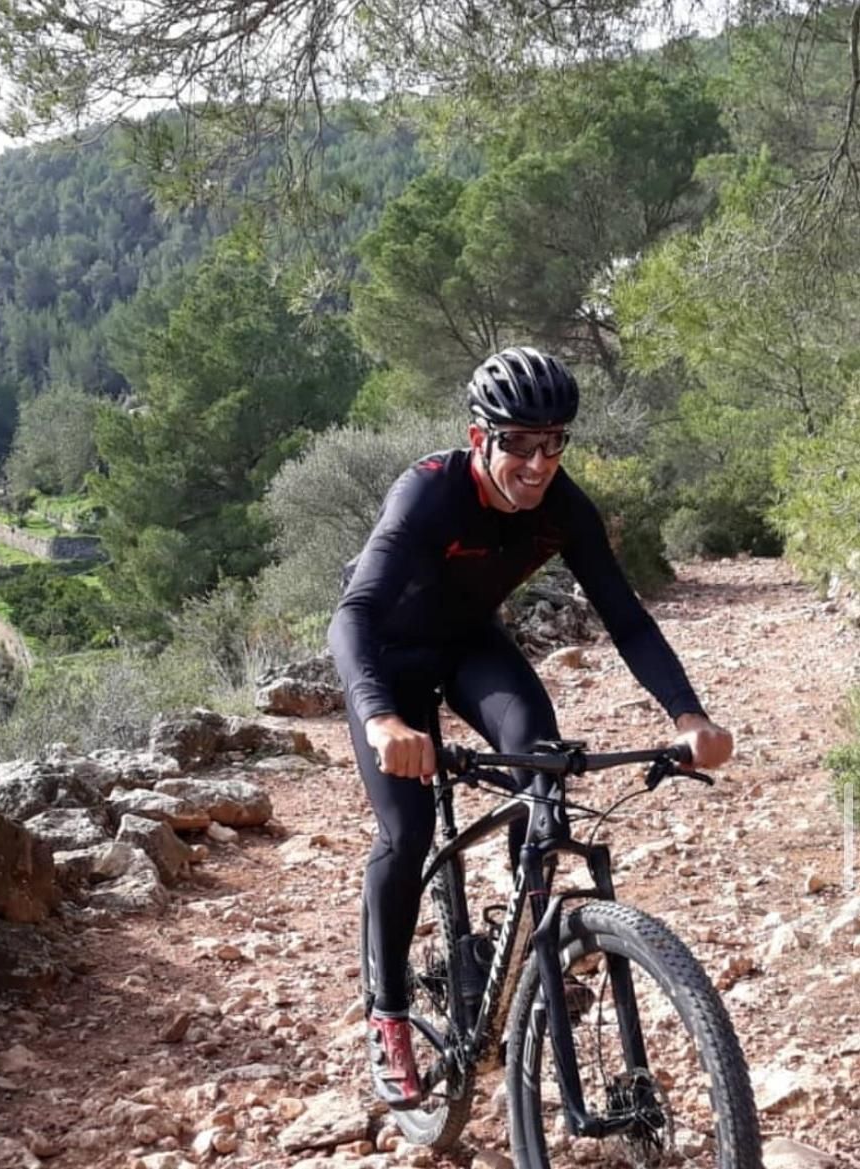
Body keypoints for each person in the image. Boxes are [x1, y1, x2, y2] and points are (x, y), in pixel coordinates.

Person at [327, 346, 733, 1110]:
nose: (537, 461)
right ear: (478, 435)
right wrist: (381, 717)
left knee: (541, 769)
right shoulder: (428, 495)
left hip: (469, 645)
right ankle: (387, 1018)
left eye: (553, 443)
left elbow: (625, 616)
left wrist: (688, 714)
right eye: (517, 441)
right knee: (406, 830)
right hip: (387, 655)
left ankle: (527, 959)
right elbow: (351, 615)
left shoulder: (561, 506)